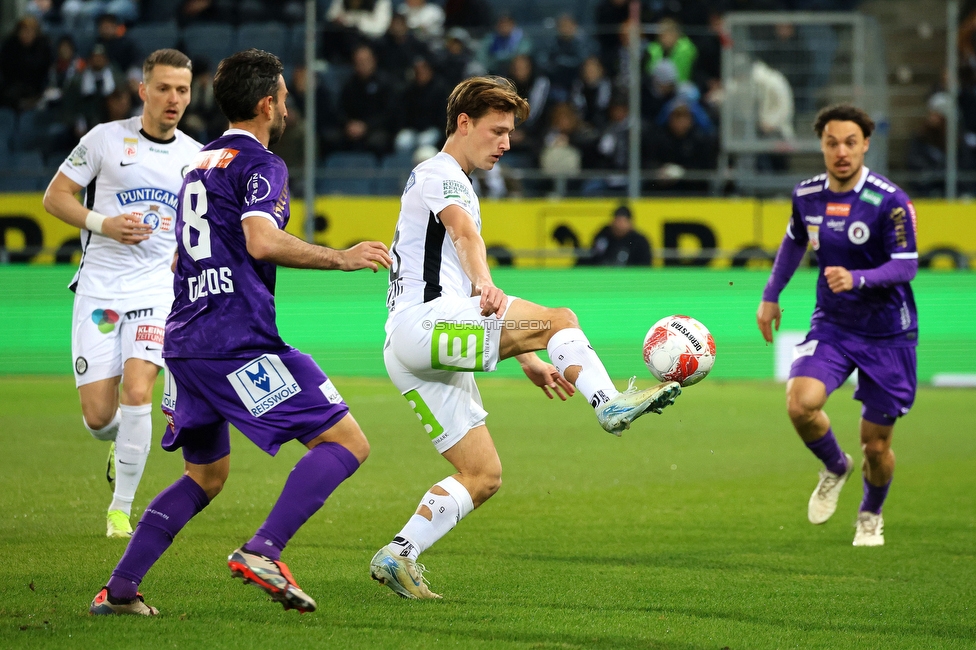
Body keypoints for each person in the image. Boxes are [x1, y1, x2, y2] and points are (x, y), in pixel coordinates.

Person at [88, 48, 392, 616]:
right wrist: (342, 258)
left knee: (205, 476)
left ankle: (119, 591)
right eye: (281, 94)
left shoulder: (199, 163)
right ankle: (264, 551)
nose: (286, 104)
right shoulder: (263, 165)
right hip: (235, 341)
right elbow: (261, 240)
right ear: (265, 104)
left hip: (183, 342)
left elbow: (182, 261)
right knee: (347, 442)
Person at [369, 76, 681, 599]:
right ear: (463, 124)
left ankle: (398, 554)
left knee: (482, 474)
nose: (507, 143)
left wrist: (526, 354)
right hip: (425, 326)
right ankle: (608, 402)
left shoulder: (449, 177)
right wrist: (492, 288)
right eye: (497, 131)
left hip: (412, 347)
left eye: (510, 132)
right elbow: (466, 239)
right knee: (560, 318)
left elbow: (472, 287)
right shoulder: (439, 171)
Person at [42, 49, 200, 540]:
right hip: (100, 292)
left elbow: (199, 227)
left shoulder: (195, 156)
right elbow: (55, 197)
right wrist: (103, 224)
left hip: (156, 290)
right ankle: (119, 441)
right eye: (164, 88)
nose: (173, 99)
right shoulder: (106, 139)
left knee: (138, 391)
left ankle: (120, 511)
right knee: (98, 416)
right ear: (143, 90)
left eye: (182, 90)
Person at [756, 104, 919, 548]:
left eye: (851, 142)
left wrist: (858, 278)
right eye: (832, 143)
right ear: (822, 146)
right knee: (800, 404)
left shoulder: (890, 201)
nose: (841, 151)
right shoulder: (807, 195)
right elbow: (793, 242)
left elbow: (906, 266)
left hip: (888, 334)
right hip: (834, 326)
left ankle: (870, 513)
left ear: (866, 144)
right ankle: (834, 465)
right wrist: (771, 296)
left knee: (876, 447)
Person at [580, 204, 651, 266]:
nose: (620, 225)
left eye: (623, 221)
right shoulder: (604, 235)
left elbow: (644, 265)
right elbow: (594, 259)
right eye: (618, 221)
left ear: (630, 223)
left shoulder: (639, 241)